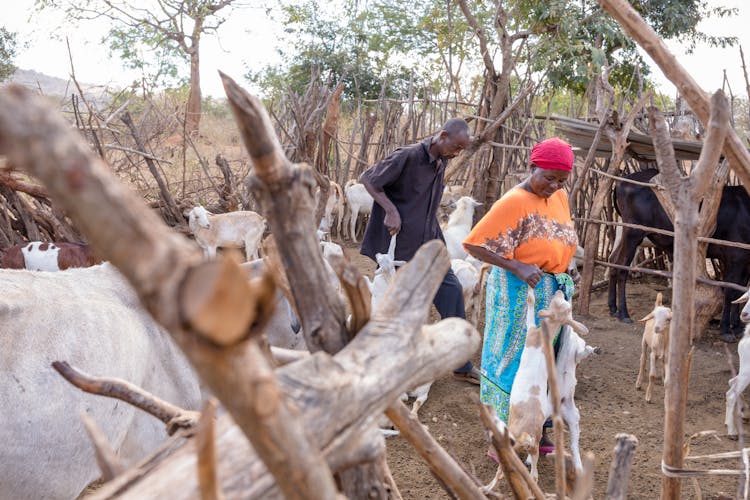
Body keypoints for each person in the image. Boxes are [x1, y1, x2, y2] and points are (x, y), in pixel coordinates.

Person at [462, 137, 579, 456]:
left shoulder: (560, 196)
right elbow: (475, 244)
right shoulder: (513, 201)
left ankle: (534, 431)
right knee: (510, 359)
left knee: (544, 363)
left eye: (561, 180)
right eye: (548, 177)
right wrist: (516, 265)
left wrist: (567, 266)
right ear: (532, 167)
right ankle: (503, 435)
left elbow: (560, 235)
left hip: (551, 290)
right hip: (517, 293)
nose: (554, 185)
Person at [359, 118, 480, 384]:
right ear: (443, 136)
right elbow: (368, 179)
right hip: (400, 245)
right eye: (456, 147)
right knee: (400, 306)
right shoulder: (408, 156)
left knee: (451, 293)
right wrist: (390, 210)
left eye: (462, 150)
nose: (457, 153)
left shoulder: (440, 161)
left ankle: (460, 364)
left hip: (430, 243)